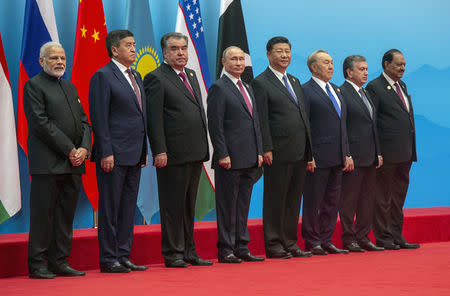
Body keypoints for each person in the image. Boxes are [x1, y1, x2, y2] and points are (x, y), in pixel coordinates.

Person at [143, 33, 212, 268]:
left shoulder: (190, 75)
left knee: (187, 206)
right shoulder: (156, 78)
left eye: (183, 48)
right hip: (172, 154)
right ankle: (173, 253)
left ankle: (189, 251)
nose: (181, 53)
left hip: (194, 152)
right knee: (173, 206)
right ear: (164, 52)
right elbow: (154, 119)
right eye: (174, 49)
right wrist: (159, 150)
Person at [24, 41, 90, 279]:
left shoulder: (70, 87)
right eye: (54, 58)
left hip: (74, 164)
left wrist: (84, 148)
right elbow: (41, 124)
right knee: (44, 215)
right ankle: (37, 264)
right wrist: (70, 150)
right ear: (41, 61)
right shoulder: (33, 86)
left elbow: (84, 121)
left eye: (62, 58)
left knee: (65, 216)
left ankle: (59, 261)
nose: (60, 62)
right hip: (48, 164)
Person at [89, 30, 148, 273]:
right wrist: (105, 151)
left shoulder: (135, 75)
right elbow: (99, 117)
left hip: (134, 154)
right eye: (129, 45)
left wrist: (144, 150)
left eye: (135, 44)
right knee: (110, 208)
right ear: (114, 50)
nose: (134, 49)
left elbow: (140, 117)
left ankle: (124, 255)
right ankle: (108, 258)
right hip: (112, 155)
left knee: (127, 208)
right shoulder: (103, 76)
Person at [252, 36, 312, 259]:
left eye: (287, 51)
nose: (285, 55)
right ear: (269, 54)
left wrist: (309, 151)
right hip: (276, 151)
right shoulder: (261, 82)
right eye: (279, 51)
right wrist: (266, 147)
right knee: (276, 198)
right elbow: (262, 119)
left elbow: (303, 117)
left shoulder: (295, 81)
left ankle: (290, 241)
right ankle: (274, 243)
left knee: (294, 198)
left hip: (299, 149)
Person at [207, 46, 264, 263]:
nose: (239, 63)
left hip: (250, 157)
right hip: (229, 159)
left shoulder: (247, 87)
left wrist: (259, 150)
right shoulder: (219, 88)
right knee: (227, 206)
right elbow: (216, 125)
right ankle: (226, 249)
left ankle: (242, 246)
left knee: (242, 206)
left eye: (241, 59)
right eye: (234, 59)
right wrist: (222, 153)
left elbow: (255, 123)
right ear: (224, 62)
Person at [366, 49, 419, 250]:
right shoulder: (375, 87)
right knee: (383, 198)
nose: (402, 68)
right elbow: (373, 123)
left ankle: (397, 236)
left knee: (398, 198)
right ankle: (384, 238)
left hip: (405, 153)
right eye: (398, 64)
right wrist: (377, 152)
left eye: (404, 64)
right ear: (386, 64)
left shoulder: (402, 85)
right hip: (386, 154)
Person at [301, 50, 353, 255]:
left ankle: (326, 239)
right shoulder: (306, 90)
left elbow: (343, 126)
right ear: (313, 67)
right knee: (314, 201)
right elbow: (305, 126)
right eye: (325, 63)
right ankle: (312, 241)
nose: (331, 66)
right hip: (318, 157)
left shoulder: (337, 91)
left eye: (332, 62)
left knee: (332, 202)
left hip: (338, 156)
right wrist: (309, 154)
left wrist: (347, 153)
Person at [339, 55, 384, 252]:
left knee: (367, 199)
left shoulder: (365, 93)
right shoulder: (341, 93)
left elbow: (373, 125)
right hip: (353, 157)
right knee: (349, 199)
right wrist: (346, 153)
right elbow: (341, 127)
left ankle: (364, 236)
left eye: (366, 68)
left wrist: (379, 152)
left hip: (371, 155)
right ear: (349, 72)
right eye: (361, 69)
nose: (366, 72)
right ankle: (349, 238)